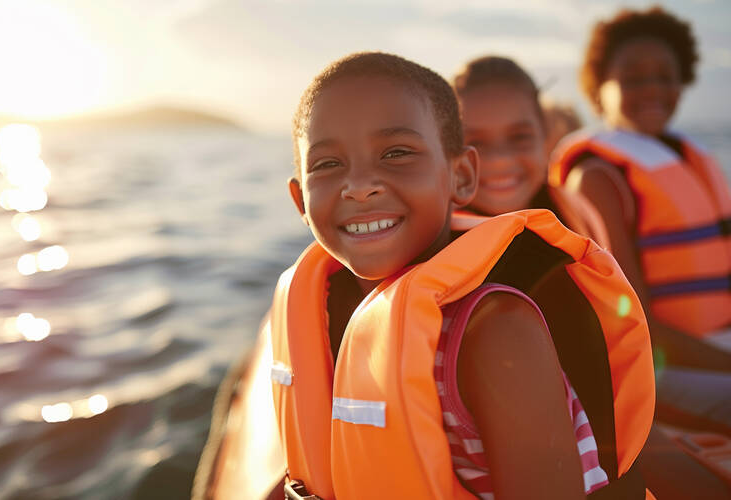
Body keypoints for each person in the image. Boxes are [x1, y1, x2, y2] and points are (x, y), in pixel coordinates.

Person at [268, 51, 654, 499]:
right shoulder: (329, 314)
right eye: (327, 164)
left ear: (462, 176)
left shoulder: (497, 333)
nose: (359, 185)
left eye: (396, 153)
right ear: (300, 201)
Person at [548, 6, 731, 428]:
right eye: (632, 78)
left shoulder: (685, 157)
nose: (652, 89)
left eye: (665, 76)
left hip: (710, 348)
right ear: (597, 89)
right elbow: (636, 321)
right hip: (659, 367)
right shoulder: (597, 176)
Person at [452, 56, 608, 248]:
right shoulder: (427, 242)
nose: (501, 159)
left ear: (545, 133)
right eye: (475, 142)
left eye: (519, 137)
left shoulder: (579, 218)